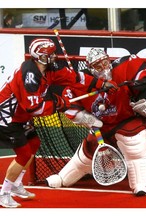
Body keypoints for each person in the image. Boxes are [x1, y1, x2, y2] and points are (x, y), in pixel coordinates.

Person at [0, 39, 117, 208]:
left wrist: (101, 84)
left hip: (21, 115)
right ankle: (4, 193)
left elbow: (76, 78)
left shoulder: (50, 68)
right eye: (49, 55)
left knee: (34, 143)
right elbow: (34, 108)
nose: (53, 57)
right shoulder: (29, 76)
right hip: (6, 116)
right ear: (39, 56)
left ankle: (17, 184)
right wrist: (59, 103)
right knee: (24, 153)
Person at [46, 48, 146, 196]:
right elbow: (69, 107)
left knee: (134, 145)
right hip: (100, 125)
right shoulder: (81, 83)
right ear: (91, 69)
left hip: (125, 120)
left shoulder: (121, 69)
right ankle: (63, 178)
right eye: (98, 66)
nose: (104, 68)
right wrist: (86, 118)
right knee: (87, 153)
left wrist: (140, 84)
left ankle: (140, 184)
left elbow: (143, 70)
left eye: (105, 63)